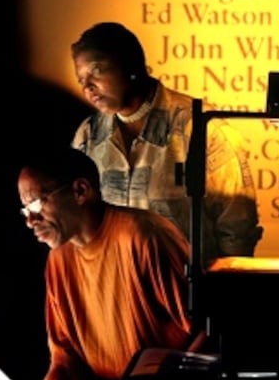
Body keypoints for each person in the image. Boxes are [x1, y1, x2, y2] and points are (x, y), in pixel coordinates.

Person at [17, 146, 228, 380]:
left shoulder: (143, 236)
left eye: (37, 204)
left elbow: (212, 331)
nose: (30, 220)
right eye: (24, 210)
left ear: (80, 191)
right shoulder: (59, 259)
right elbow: (64, 357)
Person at [70, 21, 262, 267]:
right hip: (115, 292)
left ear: (130, 65)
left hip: (186, 293)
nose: (87, 87)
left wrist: (218, 290)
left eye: (97, 71)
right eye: (81, 78)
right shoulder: (88, 136)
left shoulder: (201, 128)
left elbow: (237, 227)